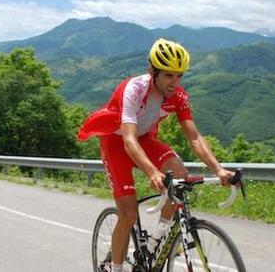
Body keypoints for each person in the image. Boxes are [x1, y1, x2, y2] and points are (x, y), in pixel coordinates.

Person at [78, 38, 236, 272]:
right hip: (117, 142)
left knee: (180, 174)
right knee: (128, 214)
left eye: (179, 76)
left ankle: (155, 241)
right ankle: (116, 267)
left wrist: (218, 169)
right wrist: (152, 172)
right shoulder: (133, 89)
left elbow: (194, 137)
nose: (175, 83)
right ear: (153, 71)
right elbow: (129, 140)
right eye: (168, 76)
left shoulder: (178, 96)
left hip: (144, 140)